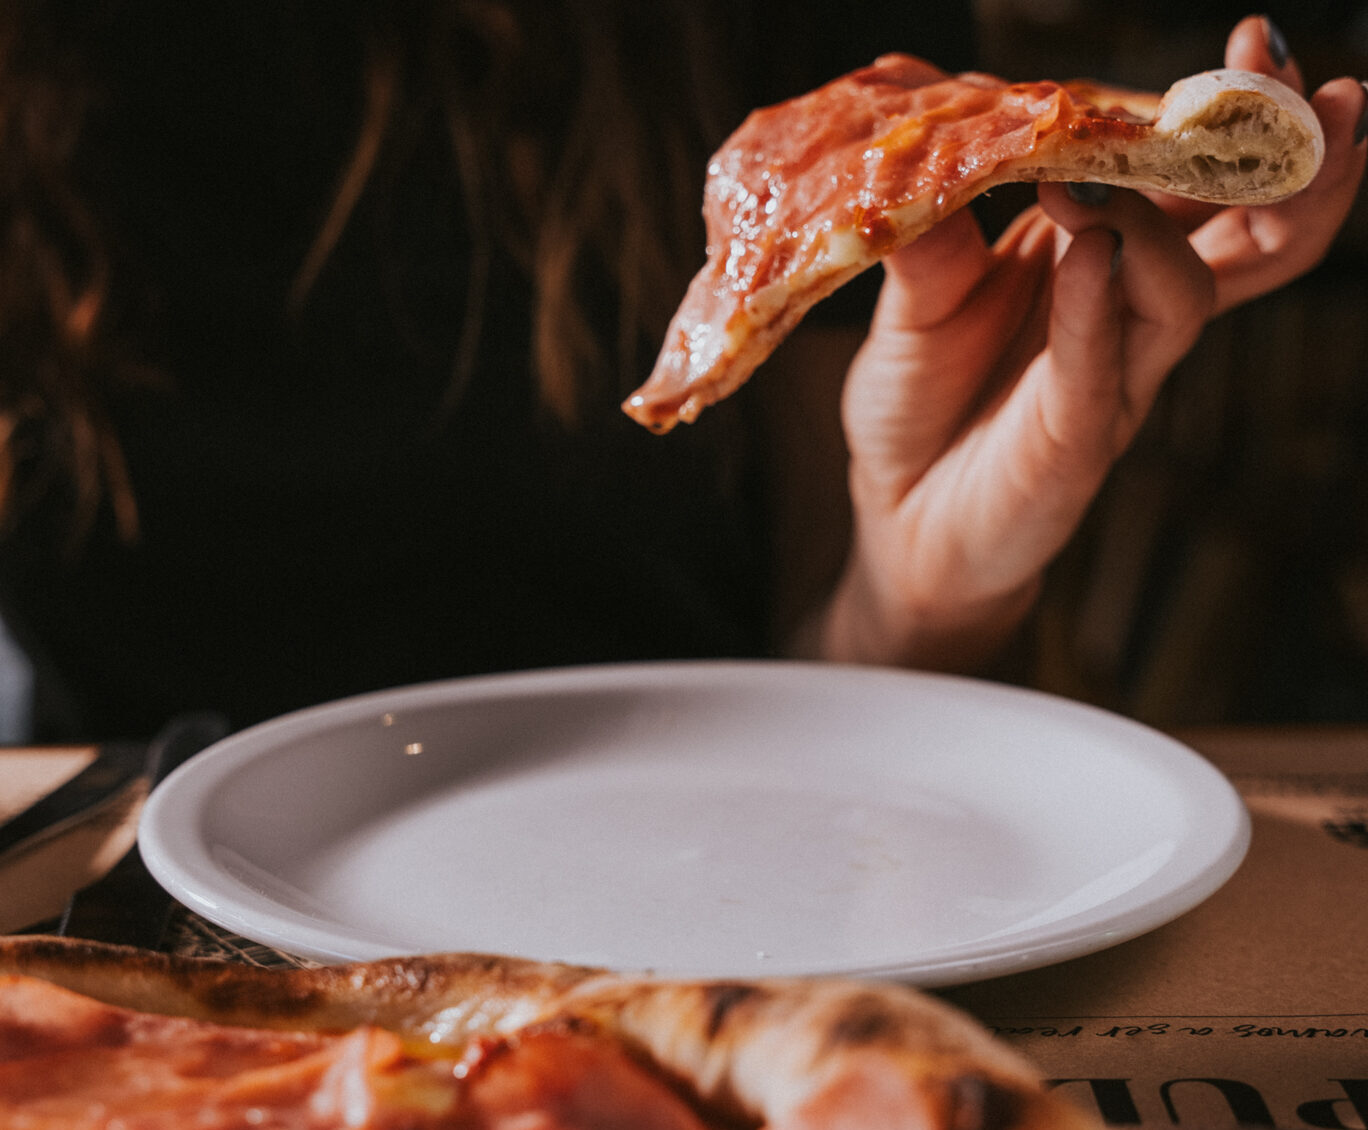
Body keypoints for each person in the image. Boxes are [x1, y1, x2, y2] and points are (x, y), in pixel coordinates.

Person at [0, 2, 1360, 740]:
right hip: (105, 920)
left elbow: (824, 665)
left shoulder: (803, 65)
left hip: (703, 890)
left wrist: (918, 589)